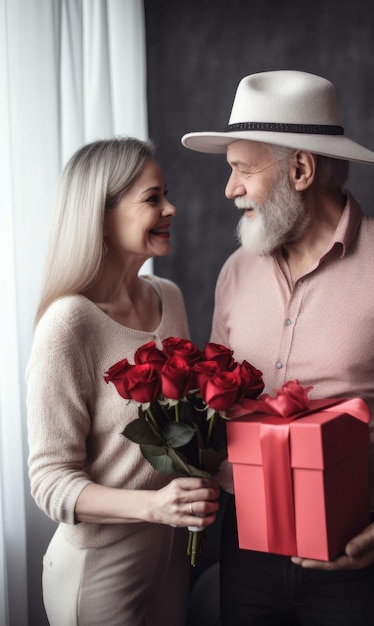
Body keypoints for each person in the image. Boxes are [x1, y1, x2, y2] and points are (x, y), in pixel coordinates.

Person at [181, 70, 374, 625]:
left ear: (302, 170)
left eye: (242, 170)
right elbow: (217, 408)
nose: (229, 189)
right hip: (245, 546)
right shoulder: (235, 272)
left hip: (365, 553)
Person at [26, 137, 220, 626]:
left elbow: (185, 423)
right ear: (102, 217)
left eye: (166, 194)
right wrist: (154, 506)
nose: (171, 208)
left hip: (170, 558)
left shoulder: (168, 297)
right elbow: (49, 481)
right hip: (96, 572)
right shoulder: (69, 324)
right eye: (152, 198)